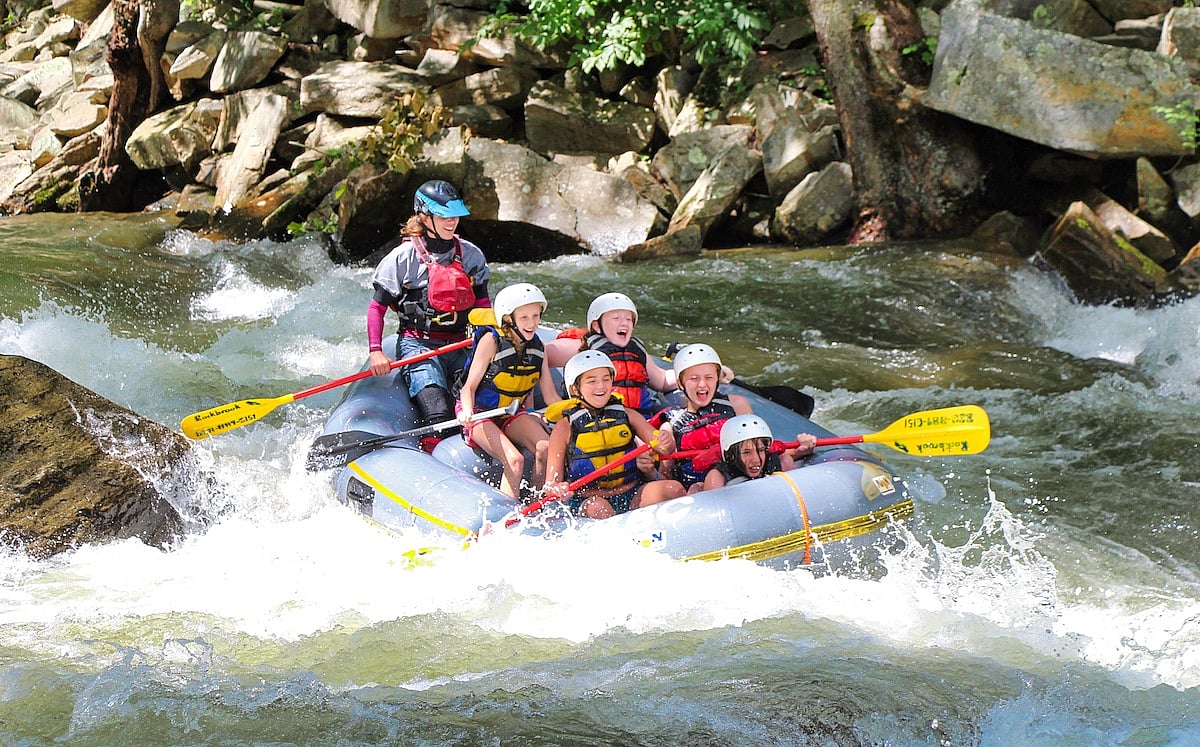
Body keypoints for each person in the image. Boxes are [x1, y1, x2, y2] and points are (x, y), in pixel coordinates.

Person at [366, 180, 491, 441]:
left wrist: (486, 340)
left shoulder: (471, 255)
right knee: (438, 411)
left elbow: (482, 305)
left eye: (455, 215)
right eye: (444, 216)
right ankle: (435, 450)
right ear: (424, 216)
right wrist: (376, 351)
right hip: (418, 345)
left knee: (482, 403)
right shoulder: (402, 258)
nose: (452, 222)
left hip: (461, 344)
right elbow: (377, 307)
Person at [544, 351, 685, 519]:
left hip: (632, 492)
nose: (601, 386)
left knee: (674, 489)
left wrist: (666, 441)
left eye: (606, 379)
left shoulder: (627, 415)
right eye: (592, 381)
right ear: (575, 389)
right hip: (590, 499)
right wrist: (557, 488)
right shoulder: (564, 428)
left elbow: (664, 448)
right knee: (599, 509)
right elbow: (551, 483)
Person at [456, 282, 561, 499]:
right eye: (524, 317)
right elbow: (468, 388)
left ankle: (536, 501)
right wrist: (467, 412)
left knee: (546, 447)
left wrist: (572, 414)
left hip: (511, 412)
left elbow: (550, 396)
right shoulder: (491, 341)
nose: (532, 323)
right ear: (507, 319)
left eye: (536, 315)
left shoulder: (537, 347)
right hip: (479, 412)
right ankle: (507, 513)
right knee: (515, 460)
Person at [545, 292, 678, 418]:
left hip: (639, 419)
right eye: (616, 318)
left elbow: (662, 380)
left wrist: (690, 372)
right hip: (598, 422)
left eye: (628, 319)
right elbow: (540, 354)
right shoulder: (583, 347)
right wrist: (551, 397)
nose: (624, 323)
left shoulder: (636, 350)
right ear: (597, 326)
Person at [651, 343, 753, 493]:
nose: (702, 384)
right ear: (680, 383)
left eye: (709, 377)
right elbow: (666, 475)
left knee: (785, 459)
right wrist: (648, 470)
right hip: (698, 493)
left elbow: (758, 449)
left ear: (718, 379)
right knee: (697, 488)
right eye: (694, 378)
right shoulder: (671, 424)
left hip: (738, 480)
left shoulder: (737, 405)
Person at [703, 414, 817, 490]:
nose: (756, 460)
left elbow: (797, 452)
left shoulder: (777, 460)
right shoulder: (717, 477)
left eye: (761, 450)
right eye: (747, 452)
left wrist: (807, 445)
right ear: (731, 455)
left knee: (786, 460)